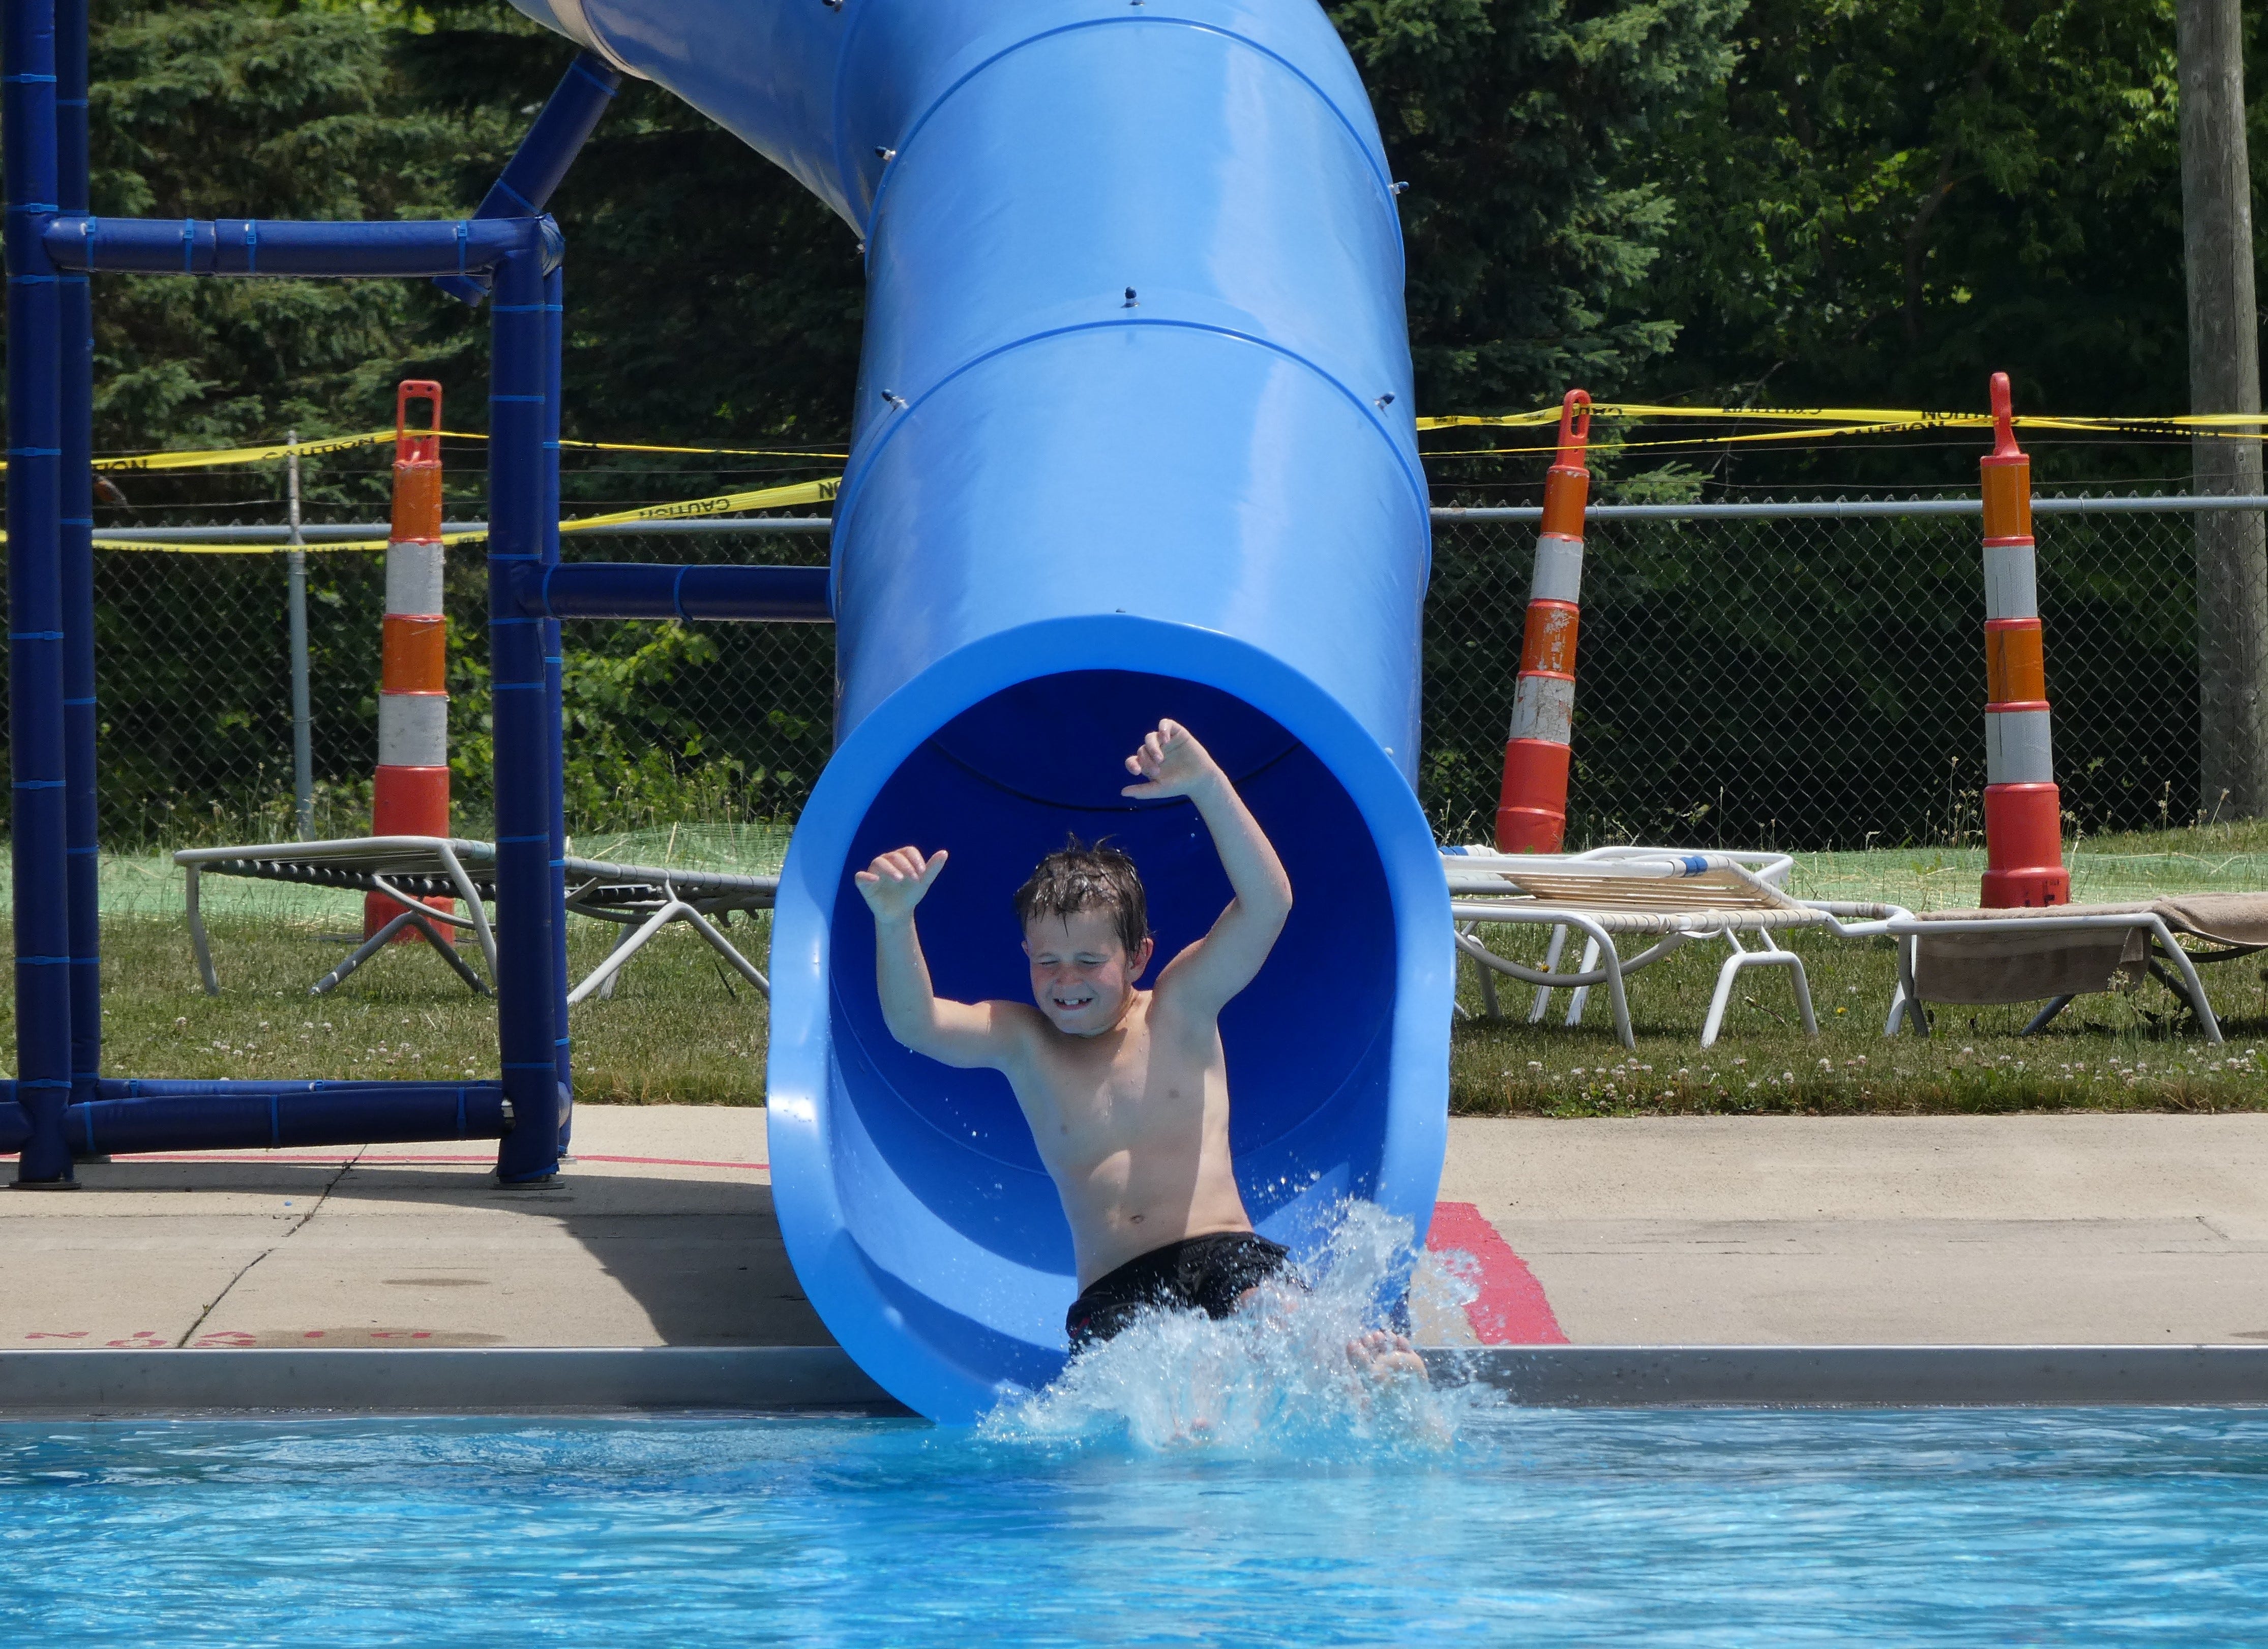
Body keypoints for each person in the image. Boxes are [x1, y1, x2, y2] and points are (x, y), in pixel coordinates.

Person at [854, 717, 1422, 1375]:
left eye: (1089, 960)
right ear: (1026, 957)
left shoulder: (1181, 1006)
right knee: (1160, 1405)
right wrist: (894, 923)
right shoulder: (1023, 1043)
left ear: (1137, 956)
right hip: (1118, 1288)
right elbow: (914, 1025)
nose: (1066, 981)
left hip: (1227, 1256)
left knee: (1281, 1319)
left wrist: (1208, 785)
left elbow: (1269, 904)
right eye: (1049, 962)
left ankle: (1364, 1370)